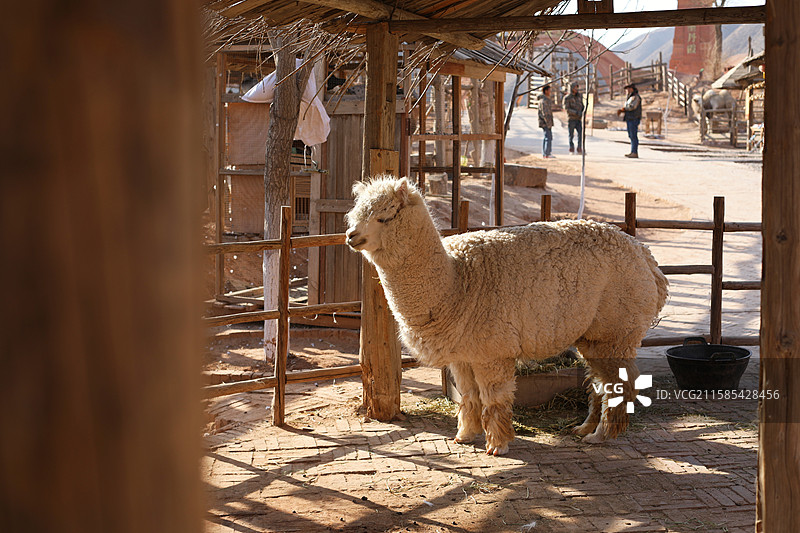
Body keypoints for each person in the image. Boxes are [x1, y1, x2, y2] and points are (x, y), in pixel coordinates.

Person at [619, 83, 642, 158]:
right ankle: (633, 151)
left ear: (631, 88)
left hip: (633, 118)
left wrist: (624, 109)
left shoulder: (635, 97)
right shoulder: (631, 97)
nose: (627, 90)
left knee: (633, 135)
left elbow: (632, 107)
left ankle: (634, 152)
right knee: (631, 135)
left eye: (628, 88)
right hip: (630, 118)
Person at [563, 82, 584, 154]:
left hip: (579, 119)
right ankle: (571, 148)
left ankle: (579, 148)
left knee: (580, 134)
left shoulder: (579, 96)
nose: (576, 89)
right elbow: (566, 108)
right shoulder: (567, 98)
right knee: (571, 135)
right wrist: (575, 112)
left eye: (577, 88)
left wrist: (582, 111)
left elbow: (582, 105)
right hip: (571, 118)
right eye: (575, 88)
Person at [538, 85, 554, 158]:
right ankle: (547, 153)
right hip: (545, 122)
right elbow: (545, 114)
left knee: (547, 137)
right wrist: (548, 123)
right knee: (548, 137)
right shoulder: (544, 101)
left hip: (546, 122)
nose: (550, 92)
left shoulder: (546, 100)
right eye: (549, 90)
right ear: (546, 91)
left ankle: (546, 153)